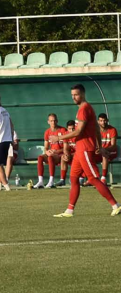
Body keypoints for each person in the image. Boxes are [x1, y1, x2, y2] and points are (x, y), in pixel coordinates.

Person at [48, 84, 120, 217]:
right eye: (72, 95)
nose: (74, 97)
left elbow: (79, 131)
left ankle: (116, 205)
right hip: (81, 149)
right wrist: (99, 147)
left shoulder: (84, 108)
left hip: (85, 149)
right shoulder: (85, 108)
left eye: (76, 94)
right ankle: (69, 210)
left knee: (92, 178)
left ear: (83, 94)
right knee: (74, 178)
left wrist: (58, 137)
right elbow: (97, 130)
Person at [34, 114, 67, 189]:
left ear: (57, 121)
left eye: (55, 120)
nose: (53, 122)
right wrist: (47, 151)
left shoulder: (63, 130)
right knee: (40, 157)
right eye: (51, 121)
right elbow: (46, 147)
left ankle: (51, 181)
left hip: (60, 154)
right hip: (51, 153)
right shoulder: (47, 132)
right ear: (48, 122)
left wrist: (56, 151)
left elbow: (66, 147)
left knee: (50, 158)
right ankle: (40, 181)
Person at [98, 113, 118, 183]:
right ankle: (92, 178)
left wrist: (104, 149)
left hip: (111, 151)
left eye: (104, 120)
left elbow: (113, 145)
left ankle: (103, 178)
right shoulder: (96, 130)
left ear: (107, 120)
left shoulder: (112, 129)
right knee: (89, 156)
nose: (103, 122)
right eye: (101, 121)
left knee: (104, 155)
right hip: (101, 151)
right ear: (98, 121)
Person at [58, 120, 77, 187]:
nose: (71, 131)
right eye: (69, 129)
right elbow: (65, 148)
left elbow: (80, 150)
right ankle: (62, 179)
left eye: (73, 128)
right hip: (71, 154)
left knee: (77, 158)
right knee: (63, 157)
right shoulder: (66, 134)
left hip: (79, 154)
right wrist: (66, 154)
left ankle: (79, 178)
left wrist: (70, 155)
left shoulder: (78, 134)